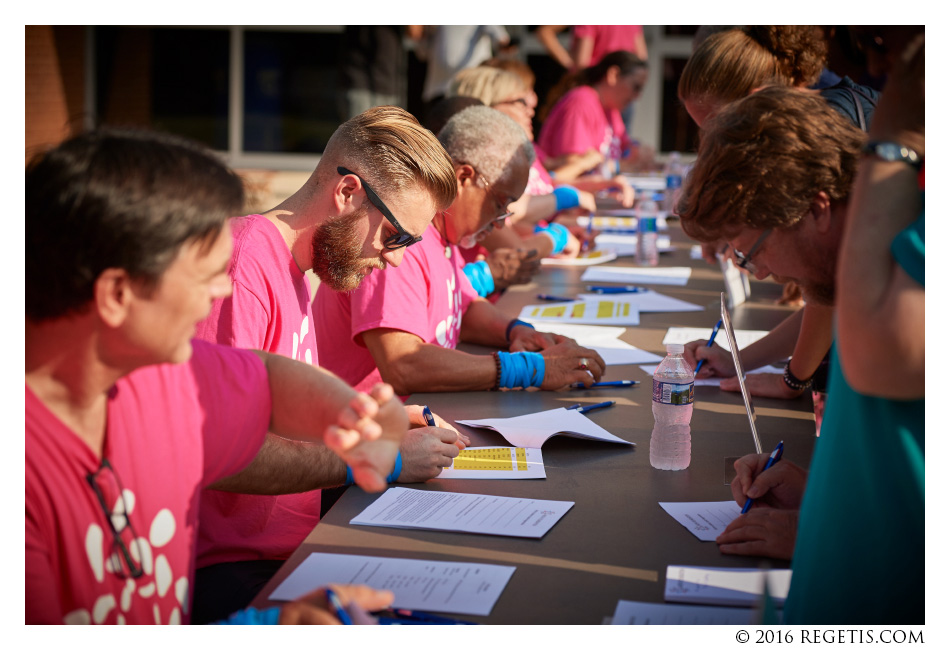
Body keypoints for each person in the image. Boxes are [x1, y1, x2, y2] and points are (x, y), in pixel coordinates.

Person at [25, 128, 406, 624]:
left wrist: (354, 417)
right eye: (203, 274)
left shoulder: (163, 375)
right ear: (117, 295)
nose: (222, 290)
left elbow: (266, 382)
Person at [189, 106, 466, 623]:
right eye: (396, 236)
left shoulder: (293, 265)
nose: (396, 259)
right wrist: (376, 455)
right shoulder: (243, 267)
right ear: (348, 193)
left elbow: (271, 413)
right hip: (229, 571)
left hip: (291, 546)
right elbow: (226, 455)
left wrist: (360, 420)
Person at [677, 79, 923, 622]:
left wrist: (828, 529)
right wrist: (821, 495)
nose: (759, 272)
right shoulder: (865, 282)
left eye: (751, 251)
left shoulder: (916, 270)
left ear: (817, 207)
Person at [314, 105, 606, 396]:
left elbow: (460, 307)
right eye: (499, 203)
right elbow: (404, 365)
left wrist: (518, 332)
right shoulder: (398, 239)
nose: (502, 220)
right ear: (464, 176)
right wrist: (529, 369)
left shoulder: (444, 236)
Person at [537, 50, 651, 177]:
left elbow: (626, 147)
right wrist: (618, 165)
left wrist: (637, 151)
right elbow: (572, 167)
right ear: (613, 75)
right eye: (636, 87)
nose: (637, 96)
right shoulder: (580, 101)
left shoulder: (611, 108)